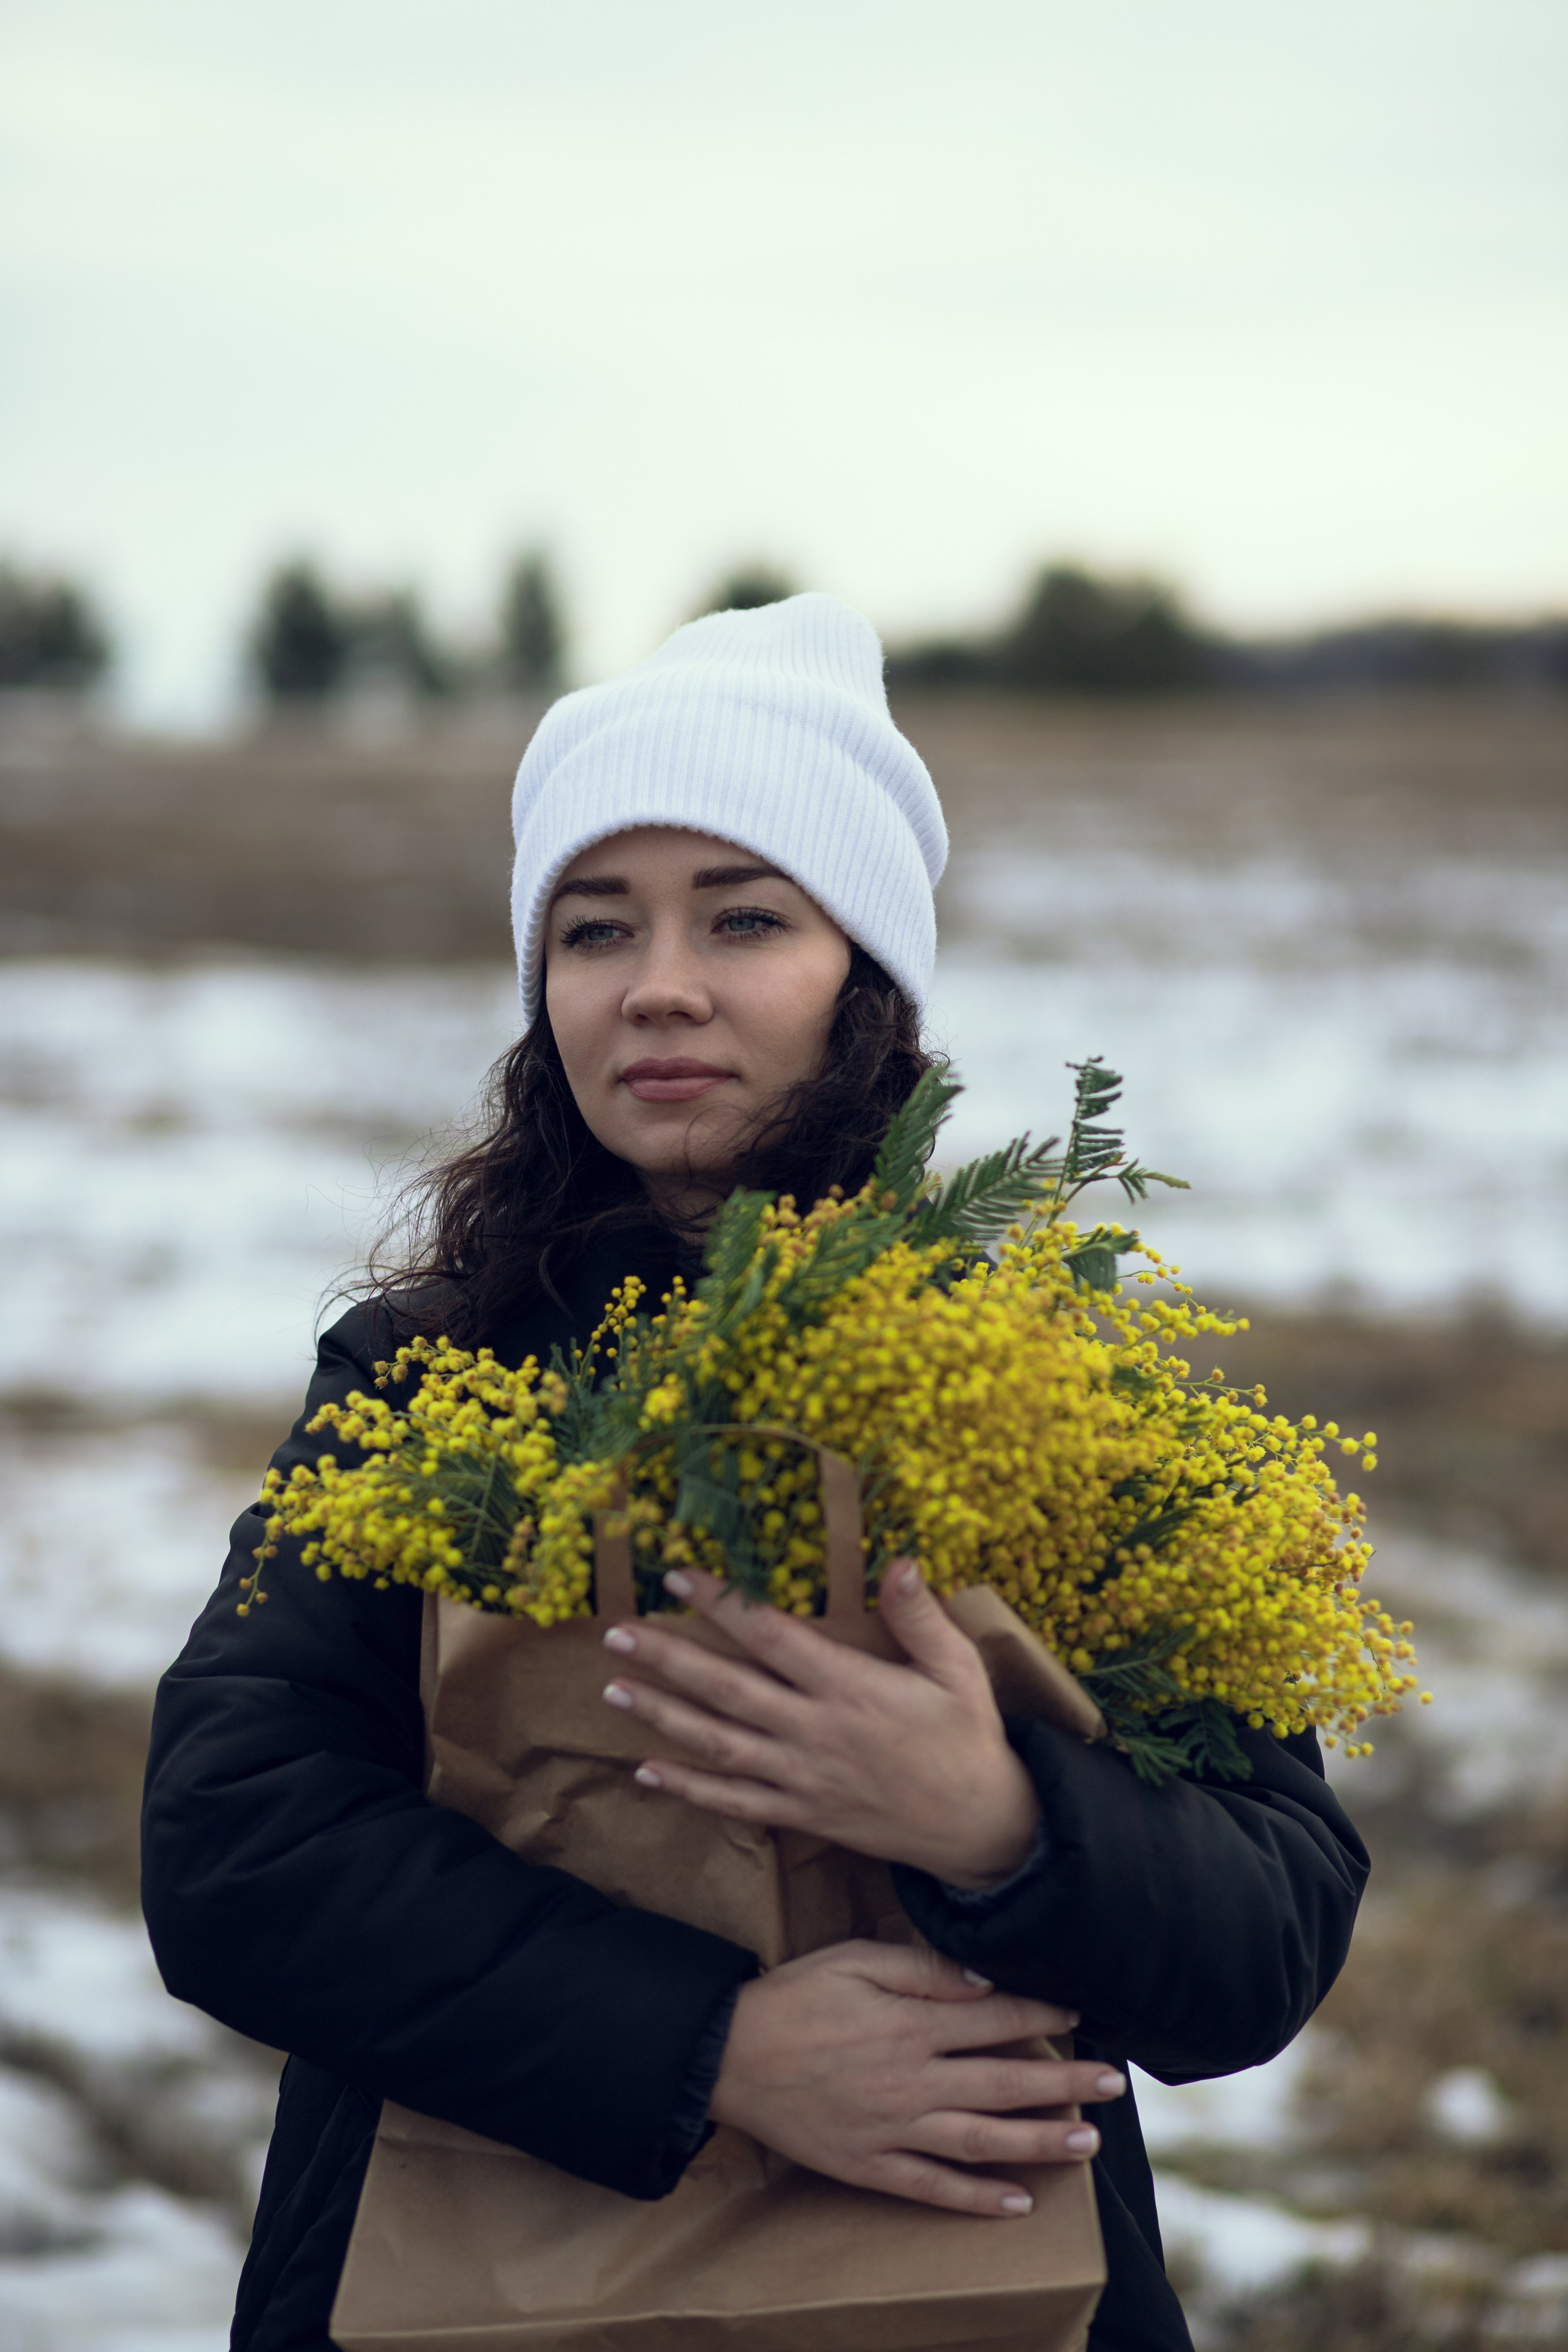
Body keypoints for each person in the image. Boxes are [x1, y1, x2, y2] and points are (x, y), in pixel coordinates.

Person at [142, 594, 1368, 2352]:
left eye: (744, 917)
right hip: (472, 2264)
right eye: (592, 928)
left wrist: (1003, 1824)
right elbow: (229, 1845)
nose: (658, 983)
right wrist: (714, 2049)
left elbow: (1269, 1929)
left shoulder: (1050, 1385)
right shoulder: (429, 1374)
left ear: (865, 978)